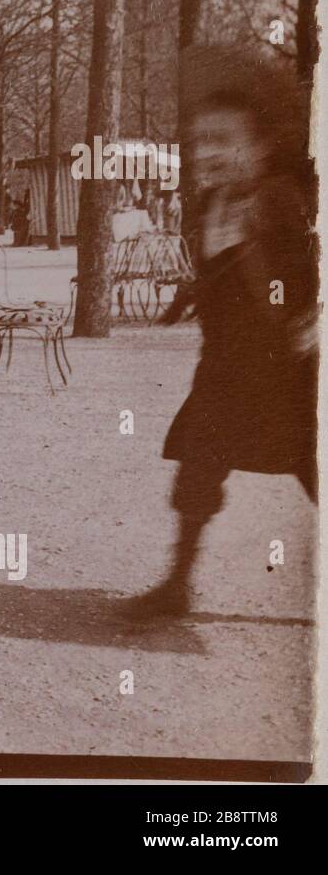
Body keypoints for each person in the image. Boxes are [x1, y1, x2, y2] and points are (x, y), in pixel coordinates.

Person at [121, 47, 318, 621]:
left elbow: (303, 270)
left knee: (314, 469)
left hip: (288, 371)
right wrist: (194, 294)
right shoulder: (210, 203)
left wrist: (303, 314)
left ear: (260, 146)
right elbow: (222, 273)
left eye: (223, 139)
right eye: (201, 139)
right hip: (227, 370)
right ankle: (177, 584)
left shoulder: (283, 201)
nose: (208, 152)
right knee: (199, 472)